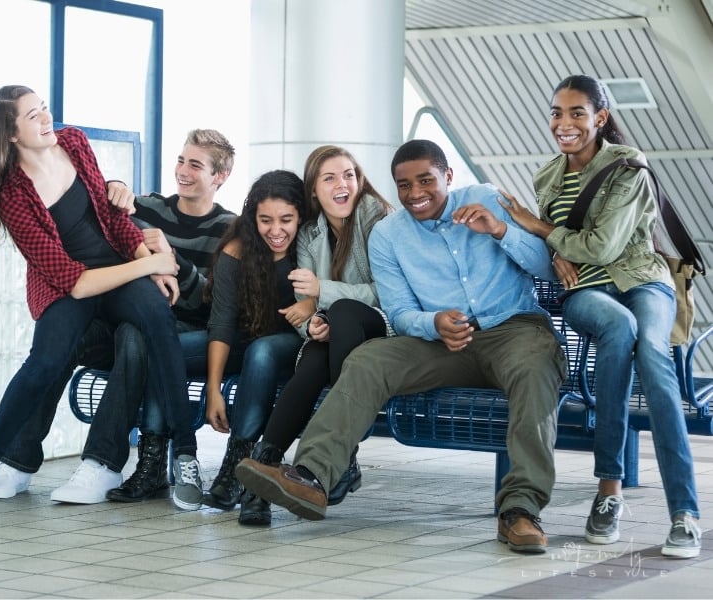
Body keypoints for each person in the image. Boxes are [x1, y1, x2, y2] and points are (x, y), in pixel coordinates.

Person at [237, 139, 567, 554]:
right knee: (369, 359)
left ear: (448, 176)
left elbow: (547, 270)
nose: (414, 194)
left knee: (535, 370)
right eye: (404, 185)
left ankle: (521, 509)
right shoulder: (389, 235)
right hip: (441, 341)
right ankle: (313, 477)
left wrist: (499, 230)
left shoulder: (486, 198)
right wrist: (434, 323)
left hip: (513, 329)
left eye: (426, 180)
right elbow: (399, 311)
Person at [0, 85, 203, 510]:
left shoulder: (74, 143)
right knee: (42, 363)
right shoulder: (13, 195)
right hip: (71, 286)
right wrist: (152, 265)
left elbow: (114, 220)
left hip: (119, 272)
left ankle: (185, 456)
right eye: (33, 116)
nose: (47, 119)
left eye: (44, 109)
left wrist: (142, 255)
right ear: (9, 134)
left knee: (157, 321)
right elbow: (72, 280)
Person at [499, 74, 702, 558]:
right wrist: (550, 244)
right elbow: (557, 251)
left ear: (600, 118)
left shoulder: (628, 167)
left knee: (651, 351)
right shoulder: (547, 176)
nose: (564, 123)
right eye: (556, 113)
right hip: (585, 289)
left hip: (643, 278)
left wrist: (541, 226)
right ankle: (609, 494)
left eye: (576, 113)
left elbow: (602, 245)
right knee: (619, 327)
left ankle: (685, 513)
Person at [0, 129, 237, 505]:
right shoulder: (147, 209)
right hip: (119, 327)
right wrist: (112, 185)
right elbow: (105, 214)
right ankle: (17, 462)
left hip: (179, 336)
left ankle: (102, 463)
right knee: (66, 340)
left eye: (195, 165)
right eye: (181, 160)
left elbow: (210, 306)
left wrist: (172, 260)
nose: (183, 170)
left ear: (220, 176)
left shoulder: (230, 231)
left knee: (135, 335)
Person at [237, 145, 393, 526]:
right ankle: (261, 478)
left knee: (341, 312)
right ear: (314, 192)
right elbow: (305, 306)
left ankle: (343, 449)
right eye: (330, 178)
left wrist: (324, 292)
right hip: (337, 333)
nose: (343, 184)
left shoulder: (379, 220)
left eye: (349, 175)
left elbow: (386, 293)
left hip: (385, 327)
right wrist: (313, 326)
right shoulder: (310, 234)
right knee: (310, 365)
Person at [201, 169, 308, 513]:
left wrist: (312, 304)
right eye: (266, 220)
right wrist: (214, 390)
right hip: (243, 344)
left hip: (292, 348)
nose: (276, 231)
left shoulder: (311, 246)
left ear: (300, 216)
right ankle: (168, 456)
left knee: (262, 352)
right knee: (165, 347)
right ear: (253, 218)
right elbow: (222, 324)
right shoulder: (237, 249)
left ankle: (238, 465)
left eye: (286, 220)